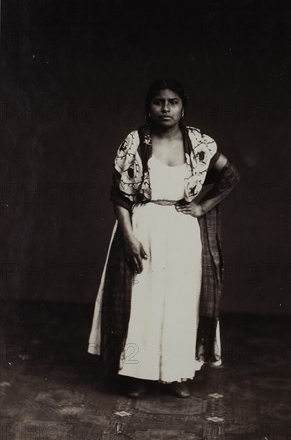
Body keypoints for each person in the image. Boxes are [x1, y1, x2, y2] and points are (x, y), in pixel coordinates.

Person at [88, 78, 240, 398]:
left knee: (181, 301)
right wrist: (129, 238)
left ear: (183, 106)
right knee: (143, 301)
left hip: (182, 230)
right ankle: (137, 374)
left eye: (173, 102)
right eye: (159, 102)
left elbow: (230, 176)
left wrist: (203, 206)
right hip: (143, 226)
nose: (166, 108)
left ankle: (175, 374)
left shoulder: (199, 144)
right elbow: (120, 197)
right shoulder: (135, 142)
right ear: (149, 107)